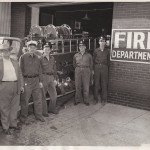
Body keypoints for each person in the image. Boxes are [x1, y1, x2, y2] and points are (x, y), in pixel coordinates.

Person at [0, 43, 24, 135]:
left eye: (7, 51)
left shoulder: (14, 61)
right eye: (3, 51)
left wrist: (21, 85)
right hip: (4, 87)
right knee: (4, 108)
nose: (6, 53)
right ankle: (5, 127)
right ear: (1, 52)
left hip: (16, 85)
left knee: (14, 107)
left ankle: (13, 124)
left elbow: (20, 74)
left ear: (10, 52)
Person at [19, 40, 45, 123]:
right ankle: (23, 117)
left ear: (35, 49)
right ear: (28, 48)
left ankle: (39, 115)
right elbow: (20, 71)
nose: (32, 49)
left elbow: (40, 70)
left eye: (34, 48)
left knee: (38, 99)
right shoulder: (23, 57)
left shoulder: (38, 58)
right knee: (25, 100)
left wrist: (40, 81)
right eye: (31, 47)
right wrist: (22, 84)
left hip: (36, 80)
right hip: (27, 81)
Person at [40, 43, 58, 115]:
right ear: (43, 50)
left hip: (51, 77)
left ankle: (52, 109)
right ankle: (44, 112)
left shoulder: (52, 58)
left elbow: (55, 69)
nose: (47, 51)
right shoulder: (40, 59)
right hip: (44, 77)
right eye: (45, 50)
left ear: (50, 50)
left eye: (48, 49)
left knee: (54, 95)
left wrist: (55, 79)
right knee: (43, 96)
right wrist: (40, 81)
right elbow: (39, 70)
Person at [73, 40, 93, 106]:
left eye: (83, 46)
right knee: (77, 86)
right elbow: (74, 64)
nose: (81, 48)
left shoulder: (89, 55)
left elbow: (91, 64)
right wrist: (78, 68)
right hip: (78, 70)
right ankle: (77, 100)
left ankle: (86, 100)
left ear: (85, 47)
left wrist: (89, 71)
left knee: (86, 86)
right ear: (79, 47)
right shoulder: (75, 55)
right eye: (80, 46)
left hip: (86, 70)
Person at [93, 36, 110, 105]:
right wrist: (94, 69)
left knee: (104, 84)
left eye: (103, 41)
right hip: (97, 67)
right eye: (101, 41)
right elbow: (93, 60)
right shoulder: (96, 51)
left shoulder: (107, 51)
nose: (102, 43)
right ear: (99, 42)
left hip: (104, 67)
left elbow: (108, 61)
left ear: (105, 43)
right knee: (96, 84)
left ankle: (104, 100)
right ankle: (96, 99)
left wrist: (105, 67)